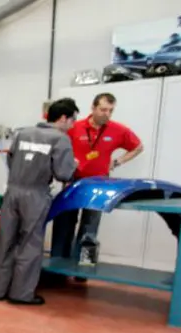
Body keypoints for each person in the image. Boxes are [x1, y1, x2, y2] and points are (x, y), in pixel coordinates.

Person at [0, 99, 79, 305]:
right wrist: (73, 164)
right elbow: (63, 173)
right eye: (73, 120)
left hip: (12, 191)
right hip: (35, 194)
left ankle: (0, 290)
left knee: (6, 241)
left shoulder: (22, 133)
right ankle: (21, 294)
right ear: (63, 118)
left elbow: (11, 160)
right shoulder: (60, 139)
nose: (73, 125)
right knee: (30, 244)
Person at [50, 93, 144, 263]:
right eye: (103, 109)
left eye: (111, 110)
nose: (107, 114)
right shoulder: (75, 127)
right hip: (73, 181)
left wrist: (117, 162)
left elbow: (138, 147)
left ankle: (83, 268)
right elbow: (59, 147)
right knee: (65, 224)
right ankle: (57, 263)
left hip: (100, 184)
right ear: (93, 108)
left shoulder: (118, 130)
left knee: (90, 228)